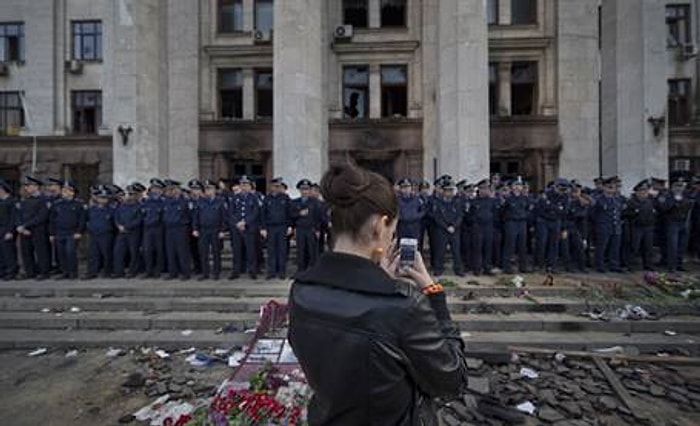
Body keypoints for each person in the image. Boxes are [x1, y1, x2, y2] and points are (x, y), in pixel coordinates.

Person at [288, 164, 469, 425]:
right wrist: (433, 292)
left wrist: (379, 278)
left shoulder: (300, 291)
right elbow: (452, 380)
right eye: (392, 229)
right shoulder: (402, 306)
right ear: (379, 225)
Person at [16, 176, 51, 280]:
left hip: (38, 229)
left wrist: (26, 225)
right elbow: (18, 214)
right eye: (26, 186)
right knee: (26, 252)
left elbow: (42, 216)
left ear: (36, 187)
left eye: (29, 185)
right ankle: (30, 272)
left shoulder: (43, 199)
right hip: (24, 230)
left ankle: (44, 272)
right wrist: (20, 226)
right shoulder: (25, 200)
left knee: (41, 252)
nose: (27, 188)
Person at [48, 181, 85, 280]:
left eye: (68, 191)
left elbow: (82, 220)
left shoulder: (78, 204)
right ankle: (65, 272)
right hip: (59, 232)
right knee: (61, 253)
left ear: (73, 192)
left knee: (70, 252)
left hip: (72, 233)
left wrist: (79, 231)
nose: (65, 192)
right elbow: (52, 219)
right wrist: (51, 233)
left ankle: (73, 273)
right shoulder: (57, 204)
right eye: (64, 190)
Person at [192, 179, 227, 280]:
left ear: (215, 190)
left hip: (215, 230)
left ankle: (216, 273)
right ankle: (205, 273)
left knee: (216, 252)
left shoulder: (220, 201)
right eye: (207, 189)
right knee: (203, 253)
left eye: (211, 189)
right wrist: (195, 228)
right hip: (203, 230)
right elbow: (196, 216)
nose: (208, 191)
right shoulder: (200, 201)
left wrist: (223, 230)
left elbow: (224, 217)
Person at [229, 175, 262, 279]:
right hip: (237, 228)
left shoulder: (254, 197)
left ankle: (252, 270)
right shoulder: (234, 198)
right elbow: (231, 212)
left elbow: (255, 212)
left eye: (246, 184)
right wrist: (237, 223)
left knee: (251, 250)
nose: (244, 187)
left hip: (249, 228)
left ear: (250, 186)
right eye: (242, 184)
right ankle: (236, 271)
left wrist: (245, 222)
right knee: (237, 250)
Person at [430, 179, 465, 276]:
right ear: (443, 191)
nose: (449, 192)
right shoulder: (438, 202)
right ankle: (438, 269)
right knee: (440, 250)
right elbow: (437, 217)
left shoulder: (457, 202)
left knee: (456, 251)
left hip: (455, 230)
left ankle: (458, 269)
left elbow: (460, 216)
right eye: (447, 190)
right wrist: (446, 227)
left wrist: (454, 226)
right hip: (442, 230)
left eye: (451, 190)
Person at [261, 177, 293, 280]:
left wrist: (290, 226)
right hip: (270, 227)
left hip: (282, 227)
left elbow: (289, 213)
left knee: (282, 250)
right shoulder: (267, 199)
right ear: (271, 187)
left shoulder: (285, 198)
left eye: (278, 186)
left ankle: (282, 272)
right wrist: (263, 228)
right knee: (271, 250)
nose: (277, 188)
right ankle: (271, 272)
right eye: (275, 186)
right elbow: (263, 214)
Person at [162, 179, 192, 280]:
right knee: (170, 252)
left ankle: (185, 272)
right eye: (169, 189)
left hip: (180, 229)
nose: (170, 191)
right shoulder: (166, 201)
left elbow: (187, 216)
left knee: (182, 251)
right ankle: (172, 272)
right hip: (169, 229)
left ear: (178, 189)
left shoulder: (184, 201)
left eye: (173, 189)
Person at [113, 183, 145, 278]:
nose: (130, 196)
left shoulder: (140, 206)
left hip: (133, 233)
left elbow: (139, 220)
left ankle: (132, 271)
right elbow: (116, 216)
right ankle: (118, 271)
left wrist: (126, 226)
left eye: (132, 194)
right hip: (121, 233)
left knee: (133, 253)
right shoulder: (122, 205)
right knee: (118, 252)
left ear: (137, 195)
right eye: (129, 194)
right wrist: (118, 225)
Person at [501, 177, 531, 274]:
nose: (518, 187)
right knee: (510, 245)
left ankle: (523, 266)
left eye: (519, 185)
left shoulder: (525, 198)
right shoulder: (508, 198)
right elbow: (502, 211)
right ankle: (507, 266)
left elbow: (528, 210)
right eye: (516, 185)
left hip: (522, 223)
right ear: (512, 187)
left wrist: (524, 216)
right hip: (511, 222)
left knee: (522, 245)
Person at [85, 187, 115, 279]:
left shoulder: (111, 209)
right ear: (97, 198)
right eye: (101, 197)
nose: (103, 200)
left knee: (106, 254)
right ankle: (92, 272)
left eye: (105, 198)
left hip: (106, 235)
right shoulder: (91, 209)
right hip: (94, 234)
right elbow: (86, 220)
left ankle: (107, 272)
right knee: (93, 254)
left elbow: (114, 222)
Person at [292, 179, 322, 273]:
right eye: (303, 189)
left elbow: (318, 216)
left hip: (311, 229)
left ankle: (312, 270)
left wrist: (317, 229)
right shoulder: (295, 202)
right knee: (301, 250)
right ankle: (301, 270)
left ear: (310, 190)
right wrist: (299, 213)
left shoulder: (315, 202)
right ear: (299, 190)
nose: (305, 191)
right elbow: (291, 215)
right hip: (300, 229)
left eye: (307, 189)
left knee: (312, 251)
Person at [142, 178, 166, 278]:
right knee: (147, 250)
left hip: (159, 229)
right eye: (153, 188)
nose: (155, 190)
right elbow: (142, 215)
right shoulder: (146, 201)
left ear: (161, 190)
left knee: (159, 250)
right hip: (147, 229)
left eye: (157, 188)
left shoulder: (163, 202)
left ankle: (158, 271)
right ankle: (148, 271)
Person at [0, 179, 18, 280]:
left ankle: (11, 271)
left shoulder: (11, 201)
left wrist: (10, 231)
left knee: (8, 252)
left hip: (7, 230)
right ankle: (2, 271)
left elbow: (13, 218)